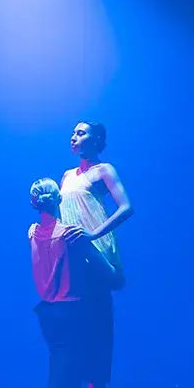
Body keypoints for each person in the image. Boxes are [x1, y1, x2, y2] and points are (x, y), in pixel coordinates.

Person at [20, 179, 116, 388]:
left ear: (34, 204)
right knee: (57, 387)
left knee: (68, 386)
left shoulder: (32, 232)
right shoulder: (72, 237)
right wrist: (92, 241)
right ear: (60, 198)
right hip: (72, 317)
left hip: (48, 315)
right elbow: (114, 278)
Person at [59, 121, 131, 290]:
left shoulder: (103, 170)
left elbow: (126, 207)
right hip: (70, 246)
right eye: (73, 133)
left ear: (96, 140)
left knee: (96, 294)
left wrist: (92, 234)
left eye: (81, 133)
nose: (74, 138)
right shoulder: (67, 176)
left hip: (94, 241)